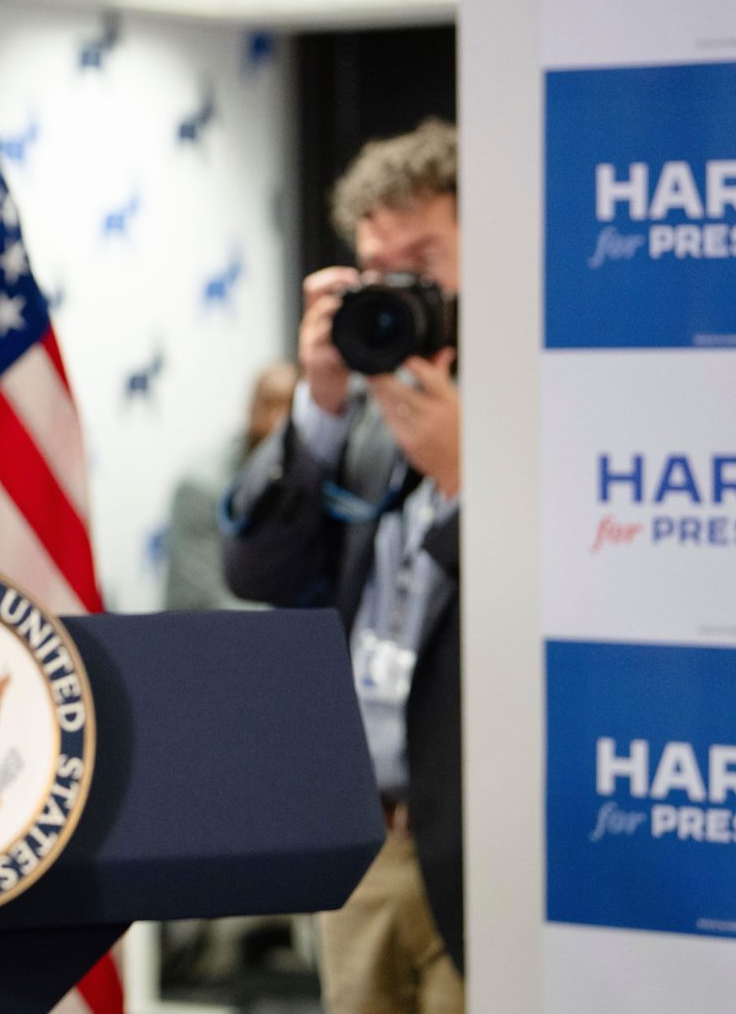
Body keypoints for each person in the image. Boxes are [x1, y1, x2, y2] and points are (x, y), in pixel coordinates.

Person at [221, 119, 464, 1014]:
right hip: (365, 834)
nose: (398, 286)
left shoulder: (541, 398)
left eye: (425, 259)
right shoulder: (358, 420)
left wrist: (464, 478)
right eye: (377, 266)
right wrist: (319, 403)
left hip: (487, 838)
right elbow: (257, 573)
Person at [163, 362, 296, 613]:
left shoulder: (314, 478)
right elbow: (205, 599)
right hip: (200, 640)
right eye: (270, 405)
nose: (280, 422)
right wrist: (300, 626)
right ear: (251, 411)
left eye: (292, 409)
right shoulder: (201, 487)